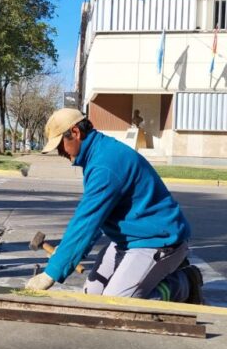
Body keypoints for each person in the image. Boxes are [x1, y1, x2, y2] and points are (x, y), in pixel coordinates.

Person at [25, 108, 203, 304]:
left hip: (159, 241)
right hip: (127, 241)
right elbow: (96, 221)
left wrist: (51, 273)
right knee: (92, 296)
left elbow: (86, 222)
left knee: (117, 303)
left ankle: (184, 283)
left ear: (75, 133)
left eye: (60, 146)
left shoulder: (105, 165)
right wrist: (67, 252)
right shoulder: (98, 154)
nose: (60, 153)